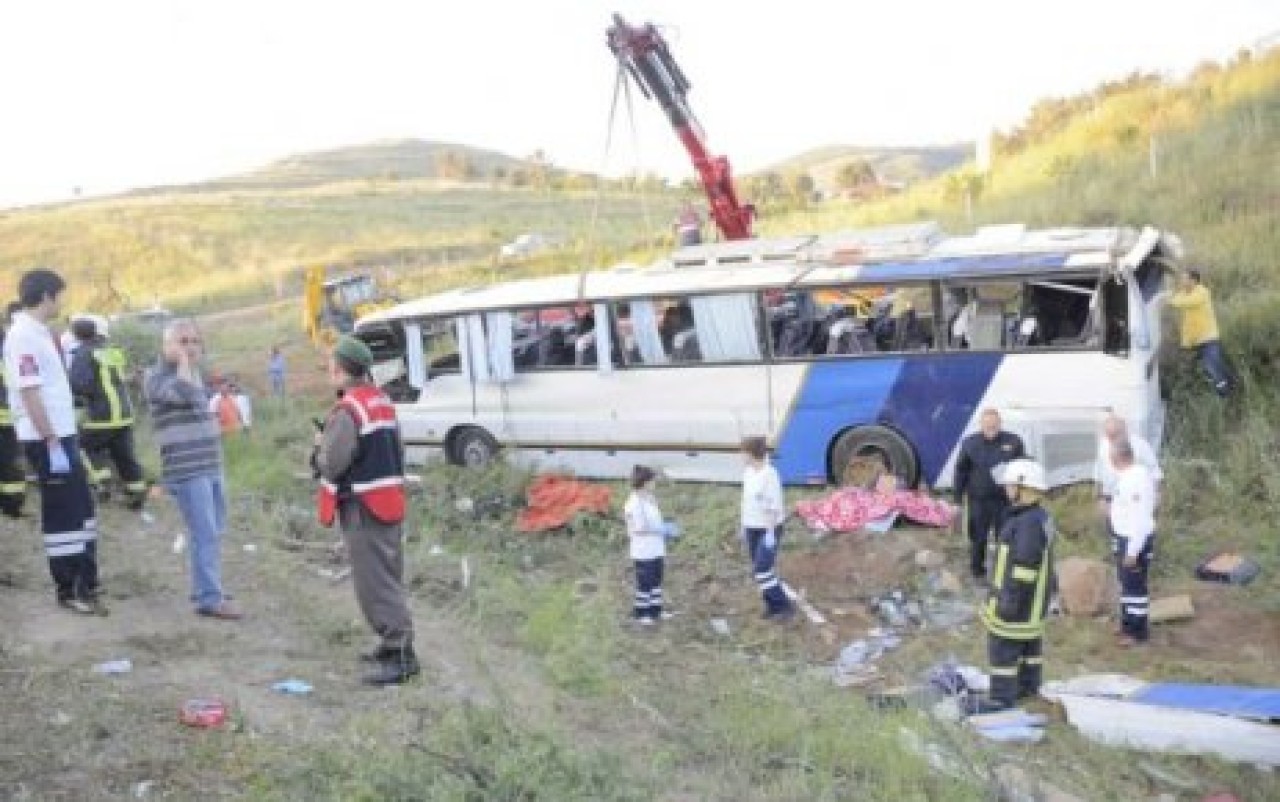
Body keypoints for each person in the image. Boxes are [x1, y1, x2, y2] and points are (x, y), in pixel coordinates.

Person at [315, 335, 418, 685]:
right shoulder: (381, 401)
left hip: (363, 506)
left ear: (341, 368)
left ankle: (402, 654)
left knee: (373, 583)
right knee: (387, 575)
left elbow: (332, 463)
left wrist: (317, 451)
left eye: (331, 363)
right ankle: (391, 646)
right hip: (388, 499)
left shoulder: (349, 410)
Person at [2, 269, 105, 615]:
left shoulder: (40, 332)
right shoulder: (22, 336)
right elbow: (30, 392)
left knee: (81, 509)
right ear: (46, 295)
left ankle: (87, 579)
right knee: (64, 513)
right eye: (60, 294)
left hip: (62, 434)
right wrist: (51, 440)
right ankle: (69, 587)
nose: (63, 301)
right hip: (49, 439)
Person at [144, 320, 241, 620]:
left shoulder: (194, 374)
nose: (190, 347)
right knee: (204, 533)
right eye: (182, 341)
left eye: (194, 341)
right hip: (187, 469)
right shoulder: (155, 377)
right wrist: (185, 361)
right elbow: (183, 392)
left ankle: (206, 588)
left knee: (214, 530)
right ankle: (210, 599)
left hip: (210, 464)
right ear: (166, 346)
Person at [979, 458, 1056, 711]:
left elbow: (1023, 567)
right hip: (1030, 605)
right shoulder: (1035, 517)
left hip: (1017, 604)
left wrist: (1008, 602)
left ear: (1025, 488)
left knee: (1003, 650)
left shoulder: (1027, 523)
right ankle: (1028, 688)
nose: (1006, 489)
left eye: (1011, 485)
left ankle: (1001, 698)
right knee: (1029, 649)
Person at [68, 316, 147, 510]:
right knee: (125, 455)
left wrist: (77, 397)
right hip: (123, 413)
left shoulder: (83, 353)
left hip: (100, 416)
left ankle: (102, 485)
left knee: (84, 447)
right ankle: (136, 493)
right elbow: (119, 379)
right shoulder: (112, 351)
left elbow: (79, 384)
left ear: (78, 335)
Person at [954, 408, 1026, 579]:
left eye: (994, 425)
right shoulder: (970, 443)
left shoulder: (1014, 441)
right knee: (978, 537)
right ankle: (977, 571)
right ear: (981, 425)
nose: (991, 429)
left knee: (1006, 538)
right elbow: (961, 471)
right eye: (987, 426)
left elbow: (1022, 467)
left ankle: (1003, 574)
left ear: (1000, 424)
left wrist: (1021, 496)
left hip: (1005, 501)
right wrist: (957, 499)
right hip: (979, 501)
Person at [739, 436, 795, 622]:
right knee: (760, 570)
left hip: (768, 528)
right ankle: (771, 606)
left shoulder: (769, 474)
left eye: (742, 452)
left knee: (763, 569)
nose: (740, 456)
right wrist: (743, 525)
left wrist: (770, 533)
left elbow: (774, 505)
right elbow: (746, 501)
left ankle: (784, 606)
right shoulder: (748, 472)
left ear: (750, 454)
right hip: (751, 526)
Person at [1108, 440, 1156, 647]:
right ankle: (1127, 624)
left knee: (1135, 586)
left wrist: (1133, 550)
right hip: (1123, 537)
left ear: (1117, 458)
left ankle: (1137, 632)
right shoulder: (1127, 476)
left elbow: (1141, 519)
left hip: (1134, 540)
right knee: (1126, 583)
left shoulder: (1137, 480)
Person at [624, 465, 677, 625]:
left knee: (656, 579)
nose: (654, 483)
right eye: (652, 480)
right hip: (643, 550)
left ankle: (656, 610)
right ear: (645, 482)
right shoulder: (633, 503)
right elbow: (638, 528)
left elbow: (655, 521)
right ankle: (642, 613)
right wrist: (661, 529)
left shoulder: (650, 499)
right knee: (645, 582)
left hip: (655, 548)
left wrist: (665, 527)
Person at [1166, 268, 1231, 397]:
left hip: (1208, 339)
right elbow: (1180, 303)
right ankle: (1225, 391)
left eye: (1185, 278)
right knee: (1214, 367)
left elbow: (1181, 303)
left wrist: (1168, 300)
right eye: (1182, 278)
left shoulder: (1201, 292)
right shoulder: (1186, 292)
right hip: (1195, 341)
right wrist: (1185, 344)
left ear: (1193, 280)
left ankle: (1225, 396)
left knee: (1214, 368)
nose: (1182, 281)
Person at [1093, 411, 1162, 531]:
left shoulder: (1141, 446)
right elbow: (1098, 471)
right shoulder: (1104, 445)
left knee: (1136, 532)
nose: (1111, 439)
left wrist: (1157, 494)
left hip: (1135, 498)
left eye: (1115, 435)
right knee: (1114, 530)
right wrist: (1099, 497)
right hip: (1111, 497)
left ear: (1124, 430)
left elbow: (1154, 471)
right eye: (1109, 435)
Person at [0, 308, 27, 519]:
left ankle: (12, 505)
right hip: (9, 417)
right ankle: (13, 507)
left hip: (8, 416)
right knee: (10, 463)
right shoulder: (11, 345)